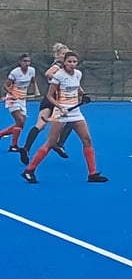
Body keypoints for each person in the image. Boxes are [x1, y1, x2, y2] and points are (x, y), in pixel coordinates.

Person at [21, 51, 107, 184]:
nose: (72, 64)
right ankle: (29, 170)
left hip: (75, 112)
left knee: (87, 140)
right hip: (60, 112)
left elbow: (77, 87)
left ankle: (92, 174)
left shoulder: (78, 74)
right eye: (69, 62)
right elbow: (49, 96)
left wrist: (83, 95)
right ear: (64, 63)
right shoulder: (59, 76)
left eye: (74, 62)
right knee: (51, 143)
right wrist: (60, 107)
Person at [19, 43, 74, 164]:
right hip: (56, 100)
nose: (65, 56)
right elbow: (48, 73)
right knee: (72, 120)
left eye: (67, 53)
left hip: (48, 100)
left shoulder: (63, 67)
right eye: (63, 54)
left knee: (40, 125)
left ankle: (26, 148)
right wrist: (60, 78)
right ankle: (59, 144)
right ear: (57, 55)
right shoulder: (58, 66)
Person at [1, 54, 40, 152]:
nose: (27, 63)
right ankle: (13, 146)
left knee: (21, 125)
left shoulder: (32, 70)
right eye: (24, 61)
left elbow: (33, 81)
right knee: (20, 121)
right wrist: (11, 93)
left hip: (22, 99)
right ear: (20, 62)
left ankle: (1, 134)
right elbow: (6, 85)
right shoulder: (15, 72)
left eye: (28, 61)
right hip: (12, 99)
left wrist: (36, 91)